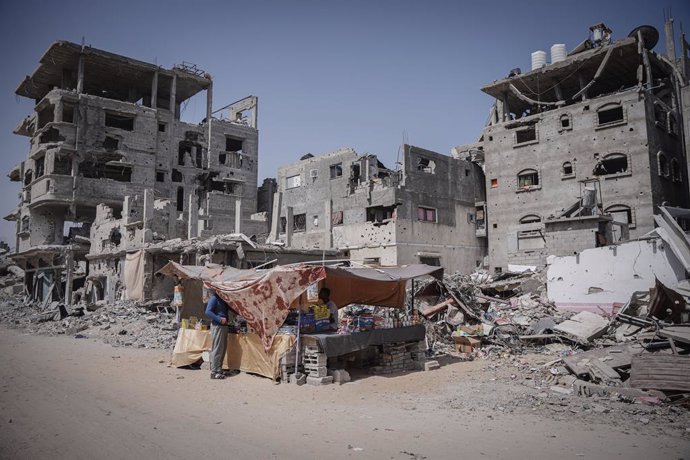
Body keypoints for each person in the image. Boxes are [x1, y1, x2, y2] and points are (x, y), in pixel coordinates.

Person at [204, 291, 230, 380]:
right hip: (218, 325)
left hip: (223, 326)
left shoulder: (223, 299)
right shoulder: (215, 298)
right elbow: (208, 311)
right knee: (217, 348)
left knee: (222, 348)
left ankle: (219, 369)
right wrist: (219, 319)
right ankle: (214, 372)